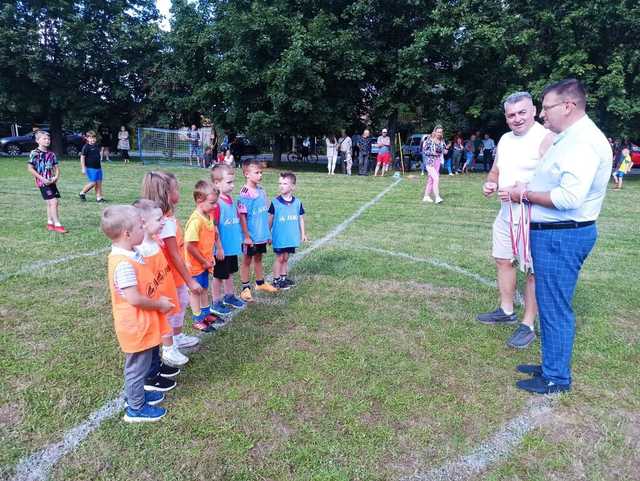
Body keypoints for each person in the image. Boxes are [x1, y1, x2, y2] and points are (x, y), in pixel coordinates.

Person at [499, 79, 612, 394]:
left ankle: (556, 377)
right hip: (556, 235)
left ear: (568, 106)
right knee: (549, 304)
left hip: (562, 236)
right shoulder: (571, 137)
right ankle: (551, 364)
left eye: (546, 108)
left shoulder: (583, 142)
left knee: (554, 306)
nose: (542, 116)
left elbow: (568, 198)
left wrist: (526, 194)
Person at [478, 91, 555, 350]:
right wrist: (490, 182)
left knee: (532, 271)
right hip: (505, 213)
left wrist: (524, 189)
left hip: (533, 216)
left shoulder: (546, 138)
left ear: (533, 110)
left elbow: (555, 179)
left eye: (522, 112)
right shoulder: (505, 140)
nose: (517, 119)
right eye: (511, 115)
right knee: (502, 259)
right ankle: (506, 309)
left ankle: (528, 324)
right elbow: (497, 169)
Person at [101, 205, 174, 422]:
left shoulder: (132, 252)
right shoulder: (123, 263)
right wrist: (159, 304)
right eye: (140, 226)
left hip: (143, 322)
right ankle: (135, 408)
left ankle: (138, 395)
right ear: (127, 233)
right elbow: (133, 298)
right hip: (135, 326)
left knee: (144, 361)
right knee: (137, 367)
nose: (144, 228)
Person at [141, 171, 209, 338]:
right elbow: (174, 256)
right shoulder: (166, 223)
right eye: (176, 189)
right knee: (174, 309)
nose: (179, 192)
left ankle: (177, 338)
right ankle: (171, 346)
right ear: (167, 194)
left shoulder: (163, 219)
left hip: (171, 276)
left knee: (179, 305)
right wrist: (190, 281)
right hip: (172, 278)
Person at [133, 199, 189, 368]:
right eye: (158, 219)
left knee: (166, 323)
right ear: (143, 223)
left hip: (165, 292)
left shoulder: (156, 242)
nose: (163, 221)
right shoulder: (140, 251)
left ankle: (160, 362)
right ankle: (164, 356)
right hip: (156, 298)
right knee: (159, 328)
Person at [184, 180, 224, 328]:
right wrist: (203, 261)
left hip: (205, 263)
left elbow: (213, 233)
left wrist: (213, 253)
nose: (216, 206)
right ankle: (197, 319)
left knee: (204, 288)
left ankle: (206, 314)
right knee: (196, 291)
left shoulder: (208, 215)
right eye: (212, 203)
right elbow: (190, 246)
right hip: (195, 265)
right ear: (199, 201)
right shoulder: (196, 221)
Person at [238, 160, 279, 301]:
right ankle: (245, 288)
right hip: (251, 236)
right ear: (246, 174)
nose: (260, 175)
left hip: (261, 234)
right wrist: (246, 236)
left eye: (261, 172)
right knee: (247, 260)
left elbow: (266, 212)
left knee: (259, 258)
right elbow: (242, 216)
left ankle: (260, 283)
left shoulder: (261, 190)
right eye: (257, 172)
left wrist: (267, 233)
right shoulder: (245, 193)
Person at [210, 164, 247, 315]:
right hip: (221, 249)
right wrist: (219, 247)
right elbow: (213, 227)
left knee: (230, 272)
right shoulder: (217, 204)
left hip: (231, 247)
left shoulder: (232, 200)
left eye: (233, 182)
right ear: (216, 183)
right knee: (218, 275)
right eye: (229, 182)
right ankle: (216, 302)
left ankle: (229, 296)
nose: (232, 185)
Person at [269, 172, 308, 289]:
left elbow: (300, 218)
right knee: (279, 257)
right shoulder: (275, 202)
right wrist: (267, 234)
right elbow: (270, 219)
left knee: (286, 257)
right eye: (280, 183)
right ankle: (276, 280)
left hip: (290, 236)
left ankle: (283, 278)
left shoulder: (297, 203)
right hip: (279, 236)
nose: (281, 186)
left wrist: (303, 234)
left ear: (292, 187)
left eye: (285, 183)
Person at [27, 130, 66, 233]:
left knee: (50, 203)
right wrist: (42, 178)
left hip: (51, 182)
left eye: (48, 139)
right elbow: (30, 168)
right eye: (44, 139)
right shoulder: (34, 153)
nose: (47, 140)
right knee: (54, 202)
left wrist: (56, 177)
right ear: (37, 140)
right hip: (42, 182)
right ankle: (57, 224)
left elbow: (56, 168)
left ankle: (50, 223)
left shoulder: (51, 154)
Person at [421, 125, 447, 204]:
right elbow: (424, 151)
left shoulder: (441, 141)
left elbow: (441, 150)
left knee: (431, 180)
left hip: (437, 162)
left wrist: (444, 151)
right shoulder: (430, 140)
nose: (439, 133)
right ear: (435, 132)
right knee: (436, 178)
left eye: (441, 132)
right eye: (438, 132)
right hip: (430, 162)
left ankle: (426, 196)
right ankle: (437, 197)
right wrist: (432, 153)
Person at [79, 131, 105, 202]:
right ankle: (82, 193)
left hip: (98, 168)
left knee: (99, 183)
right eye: (90, 138)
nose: (92, 139)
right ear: (87, 138)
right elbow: (82, 158)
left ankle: (99, 198)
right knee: (93, 182)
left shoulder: (96, 146)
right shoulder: (86, 147)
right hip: (90, 168)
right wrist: (83, 168)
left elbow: (98, 156)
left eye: (94, 138)